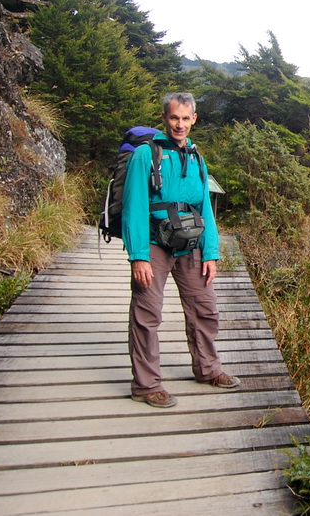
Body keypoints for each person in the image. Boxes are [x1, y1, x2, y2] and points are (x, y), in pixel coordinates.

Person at [122, 91, 239, 408]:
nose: (180, 124)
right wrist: (138, 257)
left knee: (204, 307)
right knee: (148, 313)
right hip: (154, 243)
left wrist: (211, 252)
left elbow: (205, 208)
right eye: (174, 117)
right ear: (165, 118)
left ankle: (208, 368)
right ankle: (146, 386)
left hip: (190, 243)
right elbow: (134, 206)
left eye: (186, 118)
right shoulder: (146, 155)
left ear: (194, 120)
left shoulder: (197, 157)